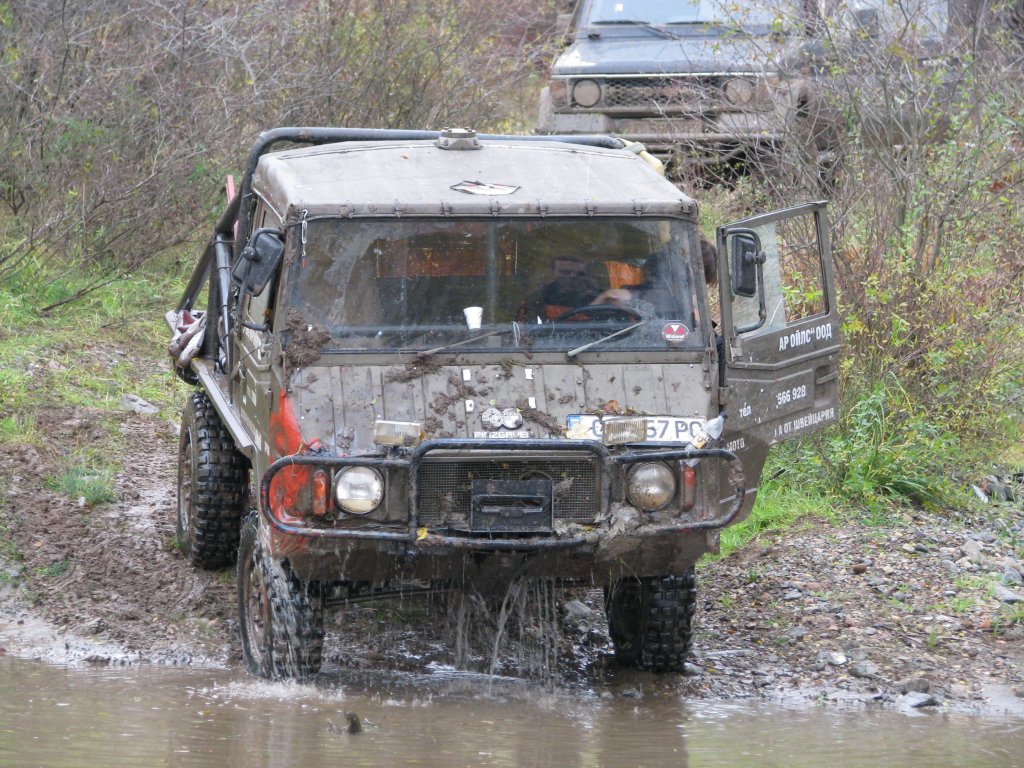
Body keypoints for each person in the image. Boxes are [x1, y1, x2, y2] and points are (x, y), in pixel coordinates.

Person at [517, 255, 600, 323]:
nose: (573, 277)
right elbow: (534, 333)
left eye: (580, 274)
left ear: (588, 276)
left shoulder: (601, 297)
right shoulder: (538, 301)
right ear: (552, 274)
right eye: (565, 272)